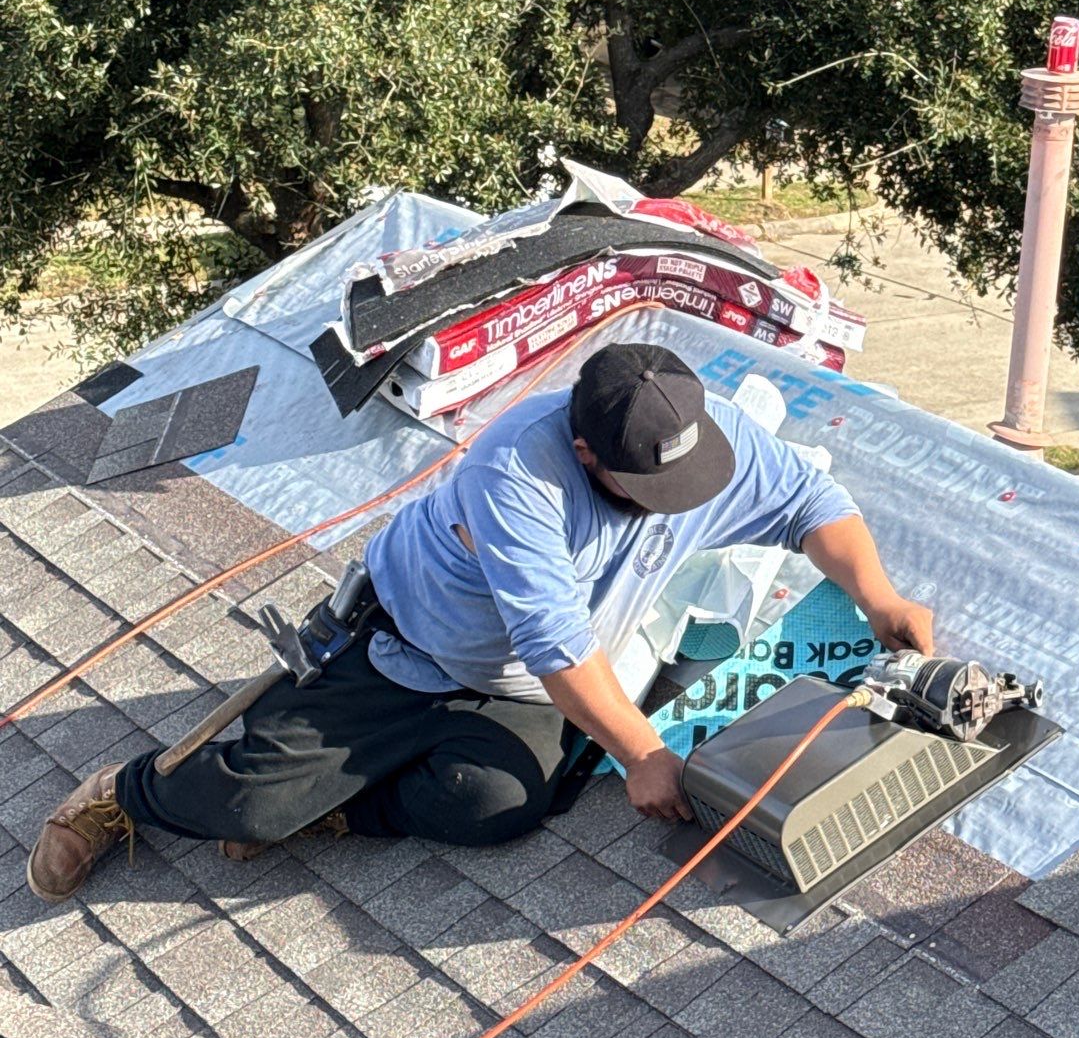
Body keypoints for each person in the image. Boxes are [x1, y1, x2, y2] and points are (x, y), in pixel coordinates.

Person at [28, 342, 933, 903]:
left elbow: (813, 501)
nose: (672, 505)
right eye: (643, 491)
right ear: (585, 451)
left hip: (522, 684)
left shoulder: (702, 432)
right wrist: (641, 753)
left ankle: (337, 808)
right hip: (406, 651)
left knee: (498, 809)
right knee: (248, 804)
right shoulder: (519, 472)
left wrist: (879, 597)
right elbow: (555, 645)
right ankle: (129, 793)